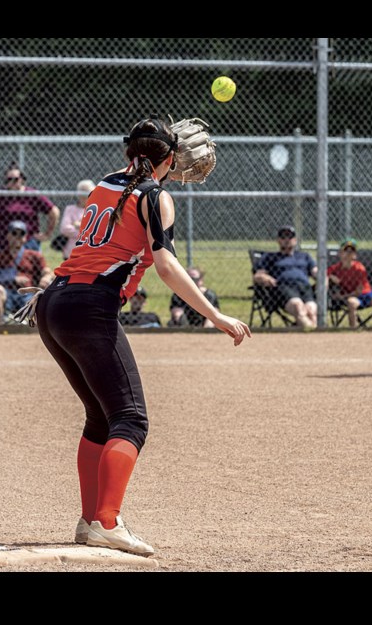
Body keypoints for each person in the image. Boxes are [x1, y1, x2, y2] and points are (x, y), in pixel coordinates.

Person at [30, 117, 250, 556]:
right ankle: (108, 522)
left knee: (100, 416)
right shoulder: (156, 196)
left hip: (52, 302)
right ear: (167, 159)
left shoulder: (104, 184)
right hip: (88, 308)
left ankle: (90, 519)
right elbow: (165, 265)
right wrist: (215, 314)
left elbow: (117, 248)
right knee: (131, 419)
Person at [0, 220, 54, 324]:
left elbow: (47, 271)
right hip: (6, 292)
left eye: (21, 234)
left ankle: (37, 331)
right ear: (8, 236)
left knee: (41, 294)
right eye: (14, 233)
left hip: (27, 293)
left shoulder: (34, 255)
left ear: (25, 237)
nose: (17, 237)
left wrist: (46, 278)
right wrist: (12, 278)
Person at [253, 225, 319, 330]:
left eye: (290, 237)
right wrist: (265, 278)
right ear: (278, 240)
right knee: (298, 307)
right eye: (283, 237)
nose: (287, 240)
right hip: (284, 287)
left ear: (295, 240)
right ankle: (314, 334)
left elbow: (316, 272)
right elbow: (258, 275)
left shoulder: (304, 256)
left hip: (304, 287)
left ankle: (307, 332)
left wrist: (324, 279)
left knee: (311, 310)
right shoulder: (270, 257)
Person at [326, 238, 372, 329]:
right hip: (351, 297)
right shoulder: (335, 268)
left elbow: (359, 291)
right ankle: (354, 330)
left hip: (365, 294)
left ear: (355, 255)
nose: (349, 254)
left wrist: (342, 297)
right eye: (346, 250)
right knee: (352, 303)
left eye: (352, 251)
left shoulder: (359, 268)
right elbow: (323, 274)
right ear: (340, 253)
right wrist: (330, 277)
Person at [57, 179, 96, 260]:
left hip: (90, 254)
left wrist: (78, 226)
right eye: (82, 192)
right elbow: (64, 229)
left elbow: (97, 230)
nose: (84, 196)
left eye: (87, 192)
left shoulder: (96, 211)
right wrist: (86, 231)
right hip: (71, 253)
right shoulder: (70, 209)